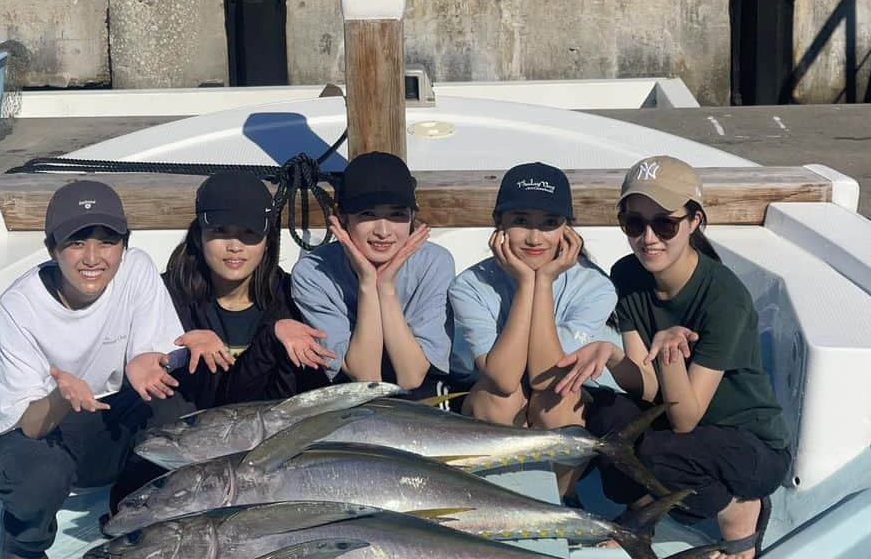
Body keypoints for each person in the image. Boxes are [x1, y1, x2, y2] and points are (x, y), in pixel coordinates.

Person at [553, 155, 791, 559]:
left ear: (694, 220)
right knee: (606, 415)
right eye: (634, 223)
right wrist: (609, 356)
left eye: (665, 223)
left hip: (747, 444)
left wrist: (668, 355)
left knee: (662, 450)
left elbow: (685, 418)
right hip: (684, 423)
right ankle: (648, 508)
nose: (649, 238)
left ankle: (740, 509)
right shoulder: (628, 274)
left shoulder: (723, 297)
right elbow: (645, 386)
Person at [0, 180, 210, 559]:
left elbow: (156, 354)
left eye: (107, 242)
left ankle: (128, 512)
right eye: (76, 242)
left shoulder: (135, 270)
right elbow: (27, 425)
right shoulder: (18, 307)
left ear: (124, 244)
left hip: (104, 418)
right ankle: (24, 539)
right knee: (38, 476)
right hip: (38, 427)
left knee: (178, 410)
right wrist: (63, 396)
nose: (92, 257)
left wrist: (145, 360)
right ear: (52, 248)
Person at [448, 162, 618, 429]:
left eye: (549, 223)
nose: (535, 238)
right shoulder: (469, 285)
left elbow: (545, 379)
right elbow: (503, 379)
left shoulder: (596, 287)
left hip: (560, 389)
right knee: (497, 399)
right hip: (497, 395)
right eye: (521, 221)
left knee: (559, 402)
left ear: (567, 230)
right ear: (499, 224)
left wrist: (544, 282)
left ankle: (566, 472)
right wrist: (527, 283)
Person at [162, 170, 335, 407]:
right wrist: (182, 356)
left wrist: (272, 338)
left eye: (249, 233)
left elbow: (285, 403)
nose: (235, 246)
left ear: (268, 242)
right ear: (197, 237)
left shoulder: (291, 298)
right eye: (220, 231)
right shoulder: (165, 297)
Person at [290, 151, 454, 399]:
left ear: (412, 217)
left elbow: (412, 377)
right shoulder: (312, 273)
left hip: (418, 388)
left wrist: (385, 288)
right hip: (348, 392)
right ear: (343, 218)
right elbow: (364, 378)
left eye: (397, 215)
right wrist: (368, 283)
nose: (383, 231)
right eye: (367, 214)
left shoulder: (434, 262)